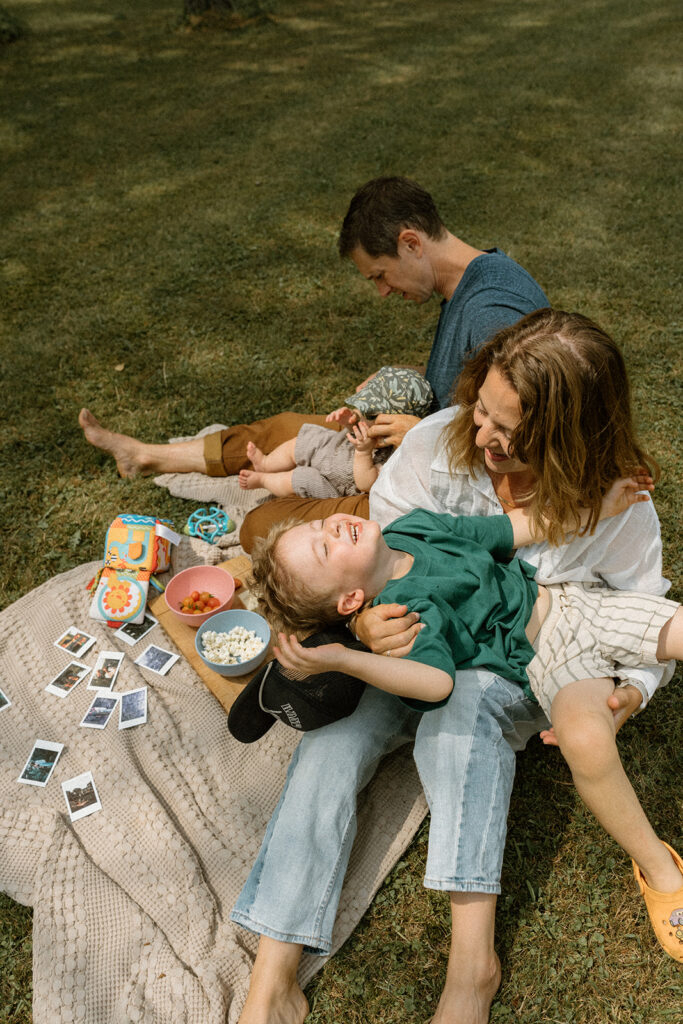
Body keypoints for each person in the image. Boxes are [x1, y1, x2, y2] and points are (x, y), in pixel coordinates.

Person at [229, 309, 675, 1024]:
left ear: (568, 438)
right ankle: (273, 969)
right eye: (483, 411)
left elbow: (640, 610)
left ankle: (471, 971)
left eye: (510, 430)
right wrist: (361, 627)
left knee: (458, 716)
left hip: (512, 661)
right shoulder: (442, 441)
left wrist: (628, 692)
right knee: (333, 744)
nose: (484, 436)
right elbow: (381, 537)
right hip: (401, 651)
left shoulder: (619, 505)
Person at [244, 500, 683, 965]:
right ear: (351, 601)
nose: (332, 526)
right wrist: (345, 659)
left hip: (577, 604)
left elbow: (514, 526)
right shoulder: (402, 611)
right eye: (324, 548)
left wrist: (600, 501)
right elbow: (437, 683)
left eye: (320, 525)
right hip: (549, 659)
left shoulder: (414, 526)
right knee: (588, 744)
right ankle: (662, 872)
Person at [77, 176, 549, 550]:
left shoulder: (493, 311)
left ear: (411, 242)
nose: (383, 291)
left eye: (380, 275)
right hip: (419, 448)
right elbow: (472, 385)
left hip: (441, 488)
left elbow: (518, 435)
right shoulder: (473, 282)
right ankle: (148, 456)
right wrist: (404, 379)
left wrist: (421, 434)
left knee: (264, 526)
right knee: (288, 428)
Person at [238, 366, 434, 499]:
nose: (362, 415)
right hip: (336, 448)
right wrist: (348, 422)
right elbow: (357, 431)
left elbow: (367, 484)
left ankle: (263, 480)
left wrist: (364, 453)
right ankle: (265, 464)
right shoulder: (371, 423)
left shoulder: (397, 454)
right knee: (304, 440)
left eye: (370, 412)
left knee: (301, 478)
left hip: (335, 484)